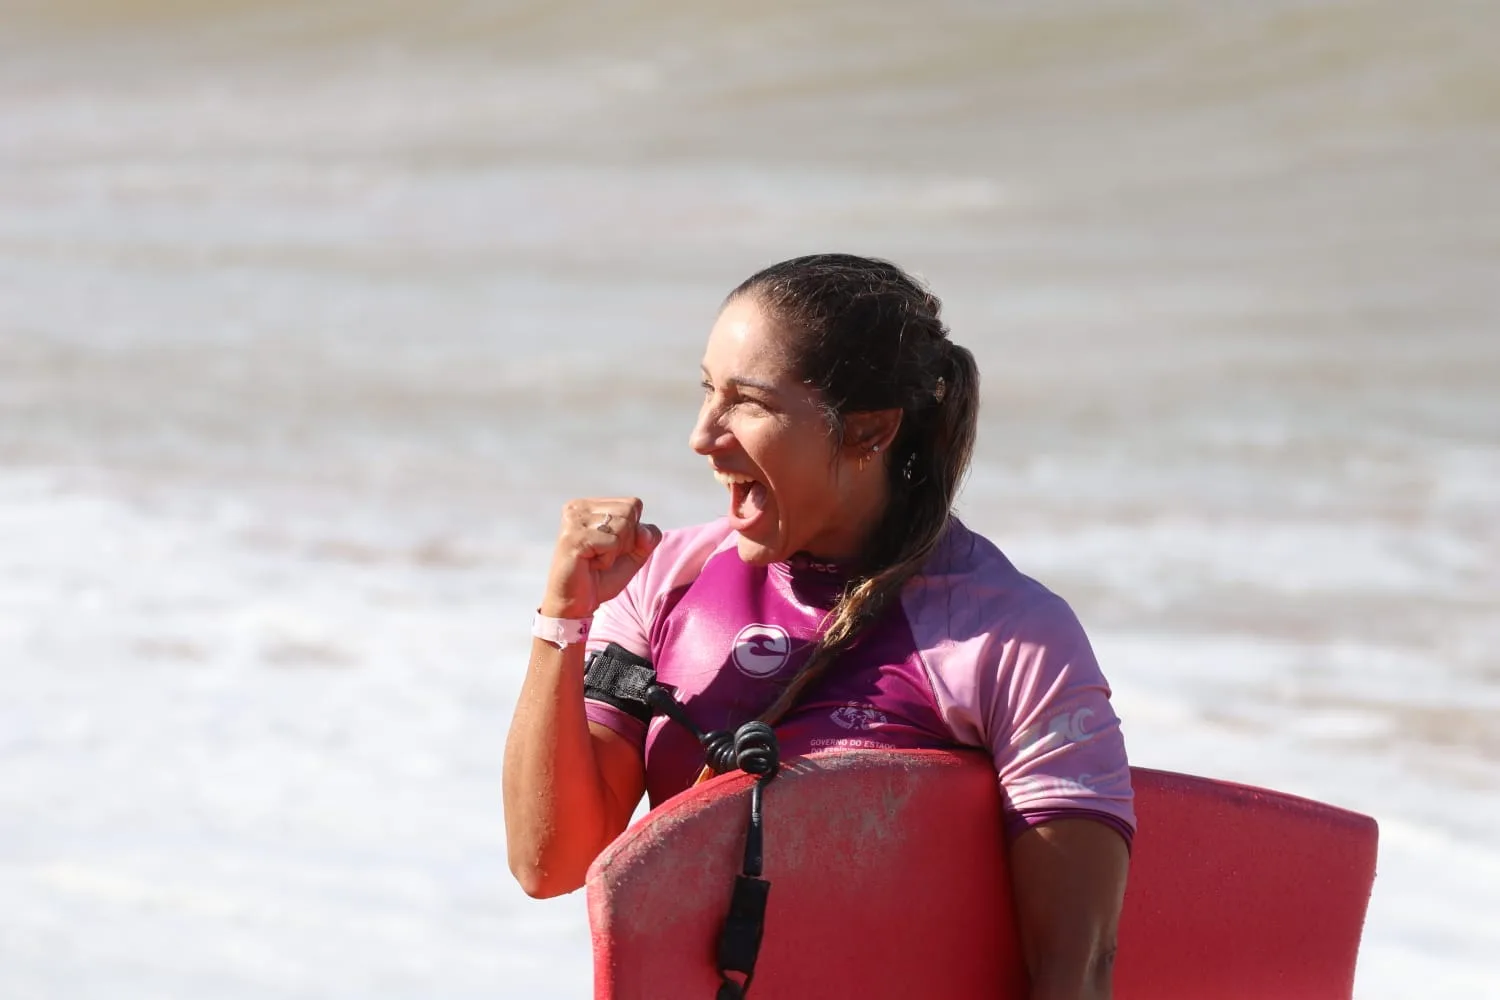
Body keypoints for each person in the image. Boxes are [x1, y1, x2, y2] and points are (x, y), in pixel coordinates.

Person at [504, 254, 1134, 999]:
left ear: (868, 432)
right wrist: (563, 619)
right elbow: (550, 862)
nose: (703, 437)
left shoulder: (1007, 639)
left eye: (748, 402)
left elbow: (1074, 970)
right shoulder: (667, 584)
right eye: (708, 391)